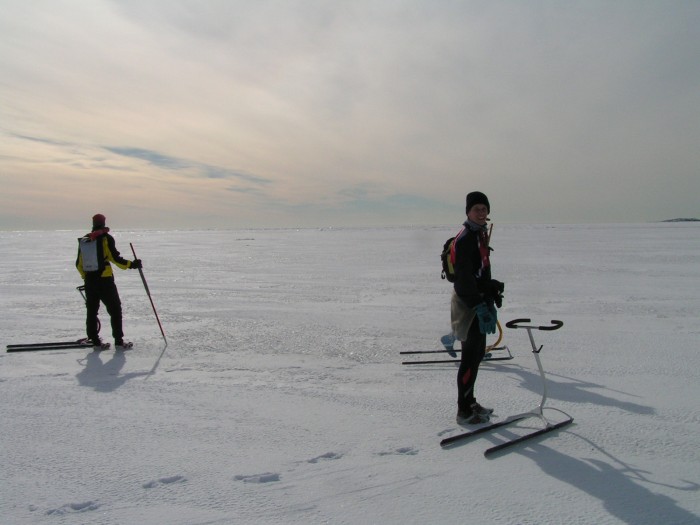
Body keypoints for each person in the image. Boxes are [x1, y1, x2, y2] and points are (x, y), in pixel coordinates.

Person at [450, 191, 504, 424]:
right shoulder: (465, 239)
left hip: (479, 301)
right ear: (468, 212)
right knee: (470, 357)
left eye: (484, 209)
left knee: (477, 355)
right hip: (468, 306)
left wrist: (491, 291)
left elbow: (478, 272)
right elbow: (463, 281)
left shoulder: (479, 235)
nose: (481, 213)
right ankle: (464, 410)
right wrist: (479, 306)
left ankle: (470, 401)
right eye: (476, 209)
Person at [76, 214, 141, 349]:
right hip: (105, 281)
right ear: (103, 222)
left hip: (90, 281)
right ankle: (118, 340)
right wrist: (132, 264)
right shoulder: (106, 238)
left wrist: (86, 277)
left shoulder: (86, 240)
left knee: (92, 311)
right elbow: (115, 259)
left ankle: (95, 341)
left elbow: (78, 264)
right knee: (115, 309)